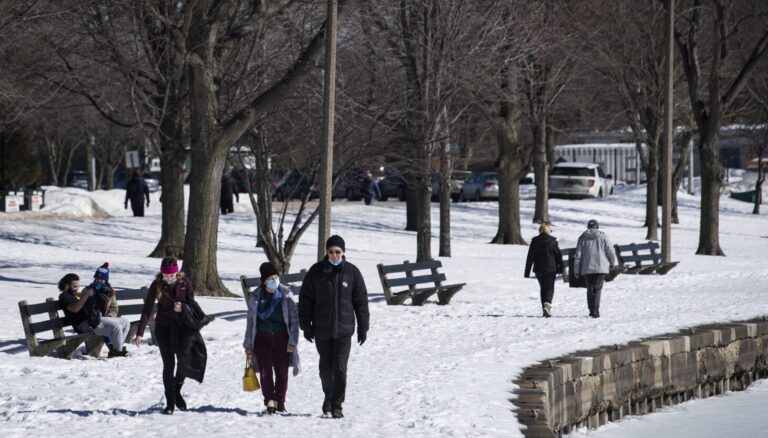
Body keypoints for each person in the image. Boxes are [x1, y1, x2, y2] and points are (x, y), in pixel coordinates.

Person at [299, 235, 369, 419]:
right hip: (322, 329)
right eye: (331, 252)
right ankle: (328, 396)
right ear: (327, 253)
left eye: (338, 252)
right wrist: (306, 325)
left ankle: (337, 405)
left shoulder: (352, 272)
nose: (334, 255)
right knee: (325, 369)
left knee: (339, 368)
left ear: (344, 252)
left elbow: (361, 301)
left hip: (344, 330)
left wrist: (363, 327)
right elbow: (305, 300)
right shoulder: (316, 272)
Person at [134, 257, 196, 415]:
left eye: (172, 275)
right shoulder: (157, 285)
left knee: (183, 363)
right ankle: (170, 403)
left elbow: (192, 304)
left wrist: (182, 308)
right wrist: (140, 332)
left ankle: (176, 391)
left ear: (177, 272)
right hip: (163, 328)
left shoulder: (185, 283)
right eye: (165, 275)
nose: (169, 278)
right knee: (169, 365)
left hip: (181, 327)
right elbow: (147, 309)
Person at [243, 262, 301, 415]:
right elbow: (251, 323)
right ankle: (270, 401)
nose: (274, 280)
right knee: (265, 370)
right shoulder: (256, 297)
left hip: (282, 337)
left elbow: (294, 321)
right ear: (264, 281)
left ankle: (280, 401)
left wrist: (293, 342)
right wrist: (248, 344)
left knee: (282, 372)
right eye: (270, 278)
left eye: (276, 277)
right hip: (262, 338)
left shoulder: (286, 295)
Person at [57, 272, 130, 358]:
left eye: (78, 286)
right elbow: (75, 309)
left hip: (93, 319)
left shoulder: (76, 295)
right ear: (67, 286)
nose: (77, 289)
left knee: (125, 322)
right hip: (83, 324)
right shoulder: (64, 297)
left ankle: (116, 349)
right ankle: (118, 352)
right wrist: (86, 295)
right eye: (75, 286)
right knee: (117, 327)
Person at [573, 219, 617, 318]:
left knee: (590, 288)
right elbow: (611, 251)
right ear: (597, 226)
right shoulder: (603, 236)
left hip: (587, 268)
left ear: (588, 227)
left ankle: (591, 310)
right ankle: (595, 310)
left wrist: (576, 270)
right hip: (601, 268)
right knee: (597, 289)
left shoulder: (582, 238)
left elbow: (578, 255)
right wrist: (612, 263)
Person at [524, 223, 564, 318]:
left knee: (543, 288)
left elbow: (530, 257)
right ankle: (547, 304)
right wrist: (561, 268)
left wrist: (527, 272)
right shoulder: (553, 241)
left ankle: (544, 308)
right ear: (548, 230)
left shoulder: (534, 241)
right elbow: (558, 255)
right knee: (549, 288)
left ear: (540, 231)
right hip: (551, 268)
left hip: (538, 269)